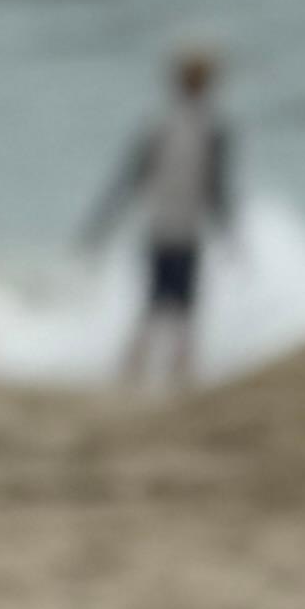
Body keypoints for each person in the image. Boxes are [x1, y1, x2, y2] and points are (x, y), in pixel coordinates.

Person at [83, 43, 235, 383]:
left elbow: (129, 181)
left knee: (156, 303)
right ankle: (177, 373)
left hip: (161, 227)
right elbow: (218, 190)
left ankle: (134, 369)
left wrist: (101, 225)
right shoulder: (210, 130)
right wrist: (229, 233)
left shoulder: (159, 125)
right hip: (183, 229)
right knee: (182, 307)